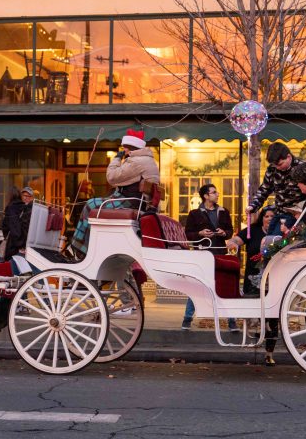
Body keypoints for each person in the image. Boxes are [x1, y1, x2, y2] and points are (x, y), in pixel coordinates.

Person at [70, 128, 160, 256]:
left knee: (90, 204)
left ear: (131, 147)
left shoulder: (136, 161)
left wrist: (116, 159)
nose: (124, 150)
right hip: (141, 203)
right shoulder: (148, 160)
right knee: (97, 204)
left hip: (130, 202)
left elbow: (111, 177)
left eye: (125, 147)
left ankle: (80, 246)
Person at [182, 183, 239, 332]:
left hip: (220, 253)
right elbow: (188, 234)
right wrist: (200, 234)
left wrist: (223, 233)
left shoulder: (223, 211)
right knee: (197, 285)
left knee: (224, 285)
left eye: (216, 192)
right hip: (202, 254)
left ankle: (232, 322)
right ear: (206, 196)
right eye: (214, 192)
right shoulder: (194, 213)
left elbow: (230, 231)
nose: (217, 194)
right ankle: (187, 319)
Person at [227, 206, 279, 365]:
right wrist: (232, 243)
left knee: (272, 318)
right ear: (262, 218)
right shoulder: (253, 231)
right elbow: (236, 240)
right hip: (253, 279)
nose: (269, 219)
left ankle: (269, 354)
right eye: (266, 216)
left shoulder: (280, 233)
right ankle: (256, 329)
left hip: (274, 280)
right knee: (256, 312)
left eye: (272, 216)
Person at [246, 142, 306, 235]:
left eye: (280, 164)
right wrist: (253, 206)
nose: (277, 168)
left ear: (289, 157)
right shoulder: (272, 169)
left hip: (297, 216)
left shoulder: (302, 167)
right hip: (278, 214)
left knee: (277, 240)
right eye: (275, 165)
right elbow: (264, 189)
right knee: (269, 239)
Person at [1, 186, 34, 261]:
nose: (26, 198)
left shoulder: (12, 208)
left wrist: (19, 245)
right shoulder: (26, 208)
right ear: (20, 195)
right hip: (26, 245)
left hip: (14, 247)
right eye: (24, 195)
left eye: (28, 196)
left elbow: (12, 228)